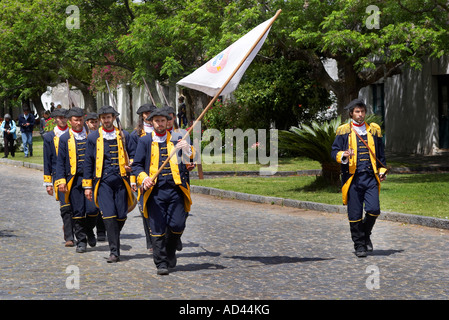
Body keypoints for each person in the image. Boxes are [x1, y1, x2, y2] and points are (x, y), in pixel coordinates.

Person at [132, 108, 195, 275]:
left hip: (175, 190)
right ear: (152, 122)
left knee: (178, 224)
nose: (160, 124)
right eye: (157, 121)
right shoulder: (145, 141)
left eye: (163, 121)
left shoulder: (177, 139)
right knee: (157, 227)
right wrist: (144, 178)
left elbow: (190, 163)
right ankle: (160, 263)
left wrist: (187, 148)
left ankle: (170, 250)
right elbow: (137, 165)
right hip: (154, 192)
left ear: (168, 122)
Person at [331, 99, 388, 258]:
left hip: (370, 178)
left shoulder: (374, 130)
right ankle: (359, 245)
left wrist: (382, 171)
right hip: (353, 180)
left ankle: (365, 234)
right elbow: (334, 151)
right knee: (355, 214)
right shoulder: (343, 131)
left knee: (374, 209)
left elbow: (381, 156)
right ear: (351, 114)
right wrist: (343, 155)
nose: (360, 115)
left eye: (362, 111)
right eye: (357, 112)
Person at [83, 105, 135, 263]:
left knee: (121, 216)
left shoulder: (124, 135)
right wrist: (87, 186)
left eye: (109, 117)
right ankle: (114, 251)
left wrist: (130, 165)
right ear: (100, 120)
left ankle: (114, 237)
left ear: (113, 118)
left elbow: (133, 156)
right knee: (109, 215)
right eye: (103, 118)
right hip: (103, 182)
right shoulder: (93, 138)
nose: (106, 120)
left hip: (121, 182)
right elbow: (88, 163)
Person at [55, 107, 98, 253]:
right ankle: (81, 241)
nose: (79, 123)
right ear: (70, 121)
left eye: (80, 120)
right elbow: (60, 161)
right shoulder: (64, 138)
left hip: (90, 179)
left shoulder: (91, 137)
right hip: (73, 180)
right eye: (76, 120)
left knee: (93, 209)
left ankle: (88, 229)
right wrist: (61, 180)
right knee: (78, 211)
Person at [128, 103, 157, 253]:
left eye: (151, 112)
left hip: (160, 174)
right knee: (145, 209)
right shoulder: (135, 135)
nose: (148, 115)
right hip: (142, 175)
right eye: (145, 113)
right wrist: (133, 180)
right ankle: (151, 241)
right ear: (142, 116)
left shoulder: (163, 131)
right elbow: (133, 160)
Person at [43, 109, 74, 247]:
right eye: (59, 118)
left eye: (64, 118)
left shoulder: (73, 134)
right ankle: (69, 236)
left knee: (76, 206)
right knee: (65, 206)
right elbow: (47, 161)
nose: (62, 120)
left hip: (73, 174)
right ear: (55, 119)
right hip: (58, 176)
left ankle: (74, 229)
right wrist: (48, 183)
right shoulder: (49, 137)